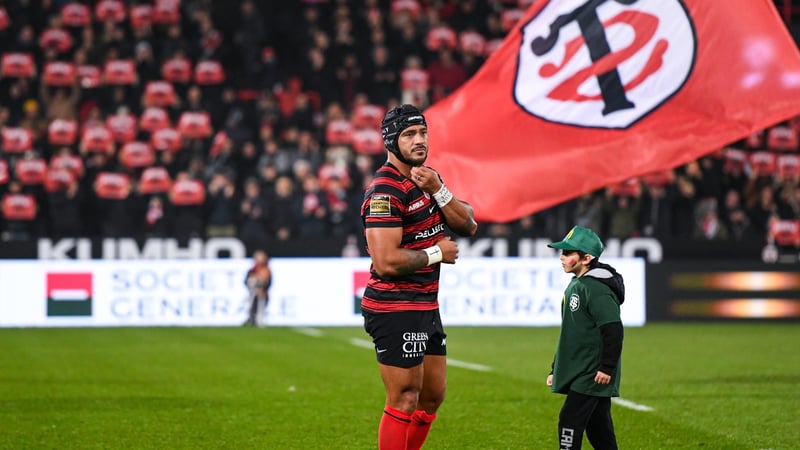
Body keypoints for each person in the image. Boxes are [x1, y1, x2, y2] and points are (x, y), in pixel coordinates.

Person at [360, 104, 478, 450]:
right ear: (391, 141)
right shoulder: (385, 190)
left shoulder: (428, 178)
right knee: (404, 397)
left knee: (431, 397)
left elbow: (468, 223)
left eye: (423, 133)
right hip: (394, 305)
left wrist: (440, 190)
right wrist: (438, 253)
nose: (419, 140)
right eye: (409, 135)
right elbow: (385, 261)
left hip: (425, 303)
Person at [546, 226, 625, 450]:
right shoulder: (578, 284)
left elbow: (613, 330)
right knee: (599, 431)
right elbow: (573, 332)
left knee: (569, 420)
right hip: (582, 368)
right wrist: (556, 367)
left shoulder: (596, 289)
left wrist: (607, 367)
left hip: (591, 370)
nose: (562, 258)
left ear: (586, 258)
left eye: (568, 253)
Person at [243, 249, 272, 327]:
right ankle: (251, 319)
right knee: (251, 306)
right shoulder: (252, 270)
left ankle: (259, 320)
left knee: (261, 306)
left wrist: (262, 289)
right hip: (253, 293)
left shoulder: (266, 270)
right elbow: (246, 281)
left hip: (262, 293)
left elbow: (268, 282)